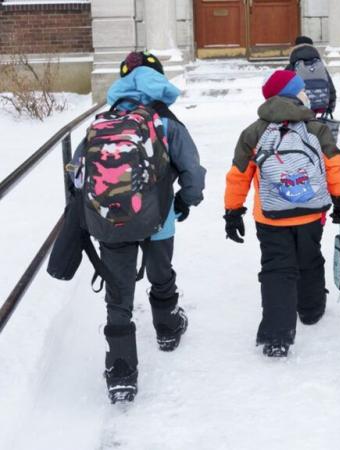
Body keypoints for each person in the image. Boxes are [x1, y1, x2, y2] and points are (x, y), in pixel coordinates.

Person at [72, 51, 206, 402]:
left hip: (110, 221)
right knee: (161, 271)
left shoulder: (102, 122)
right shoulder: (164, 121)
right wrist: (186, 201)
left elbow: (78, 175)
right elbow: (192, 169)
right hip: (159, 217)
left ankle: (121, 371)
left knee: (118, 293)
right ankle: (167, 327)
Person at [224, 70, 340, 357]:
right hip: (310, 212)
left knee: (277, 268)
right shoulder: (316, 128)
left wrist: (233, 210)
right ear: (294, 95)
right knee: (309, 258)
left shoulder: (254, 131)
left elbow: (238, 175)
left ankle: (277, 336)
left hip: (270, 216)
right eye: (302, 89)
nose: (306, 92)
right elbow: (334, 165)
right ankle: (311, 309)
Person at [286, 35, 337, 116]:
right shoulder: (319, 65)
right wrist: (331, 104)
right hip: (319, 104)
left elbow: (282, 87)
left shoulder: (293, 65)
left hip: (298, 106)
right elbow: (330, 85)